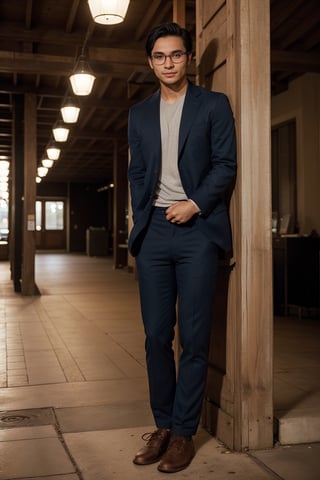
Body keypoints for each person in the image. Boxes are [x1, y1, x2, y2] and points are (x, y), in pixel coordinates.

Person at [127, 22, 236, 473]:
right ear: (150, 61)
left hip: (197, 231)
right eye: (159, 56)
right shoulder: (138, 114)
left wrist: (193, 204)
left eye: (176, 54)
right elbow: (137, 171)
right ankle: (164, 425)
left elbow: (226, 165)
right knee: (155, 336)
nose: (168, 63)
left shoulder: (213, 105)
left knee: (193, 338)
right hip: (154, 233)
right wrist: (142, 213)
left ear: (188, 58)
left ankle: (184, 434)